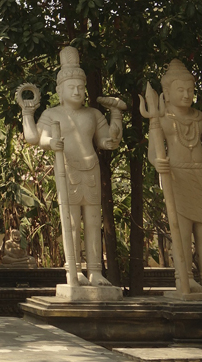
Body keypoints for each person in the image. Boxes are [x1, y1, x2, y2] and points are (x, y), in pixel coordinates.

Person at [19, 48, 125, 286]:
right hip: (67, 170)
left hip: (91, 169)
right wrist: (30, 117)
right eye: (72, 87)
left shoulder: (93, 114)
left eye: (80, 87)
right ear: (60, 91)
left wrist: (116, 117)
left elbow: (108, 141)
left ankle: (95, 272)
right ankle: (74, 270)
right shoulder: (52, 113)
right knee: (72, 221)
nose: (77, 91)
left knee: (93, 221)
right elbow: (35, 138)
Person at [151, 58, 202, 293]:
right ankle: (184, 277)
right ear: (167, 93)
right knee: (181, 229)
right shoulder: (161, 117)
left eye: (190, 90)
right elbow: (154, 152)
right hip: (176, 174)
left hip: (200, 174)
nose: (186, 94)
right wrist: (159, 163)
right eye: (180, 90)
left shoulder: (200, 117)